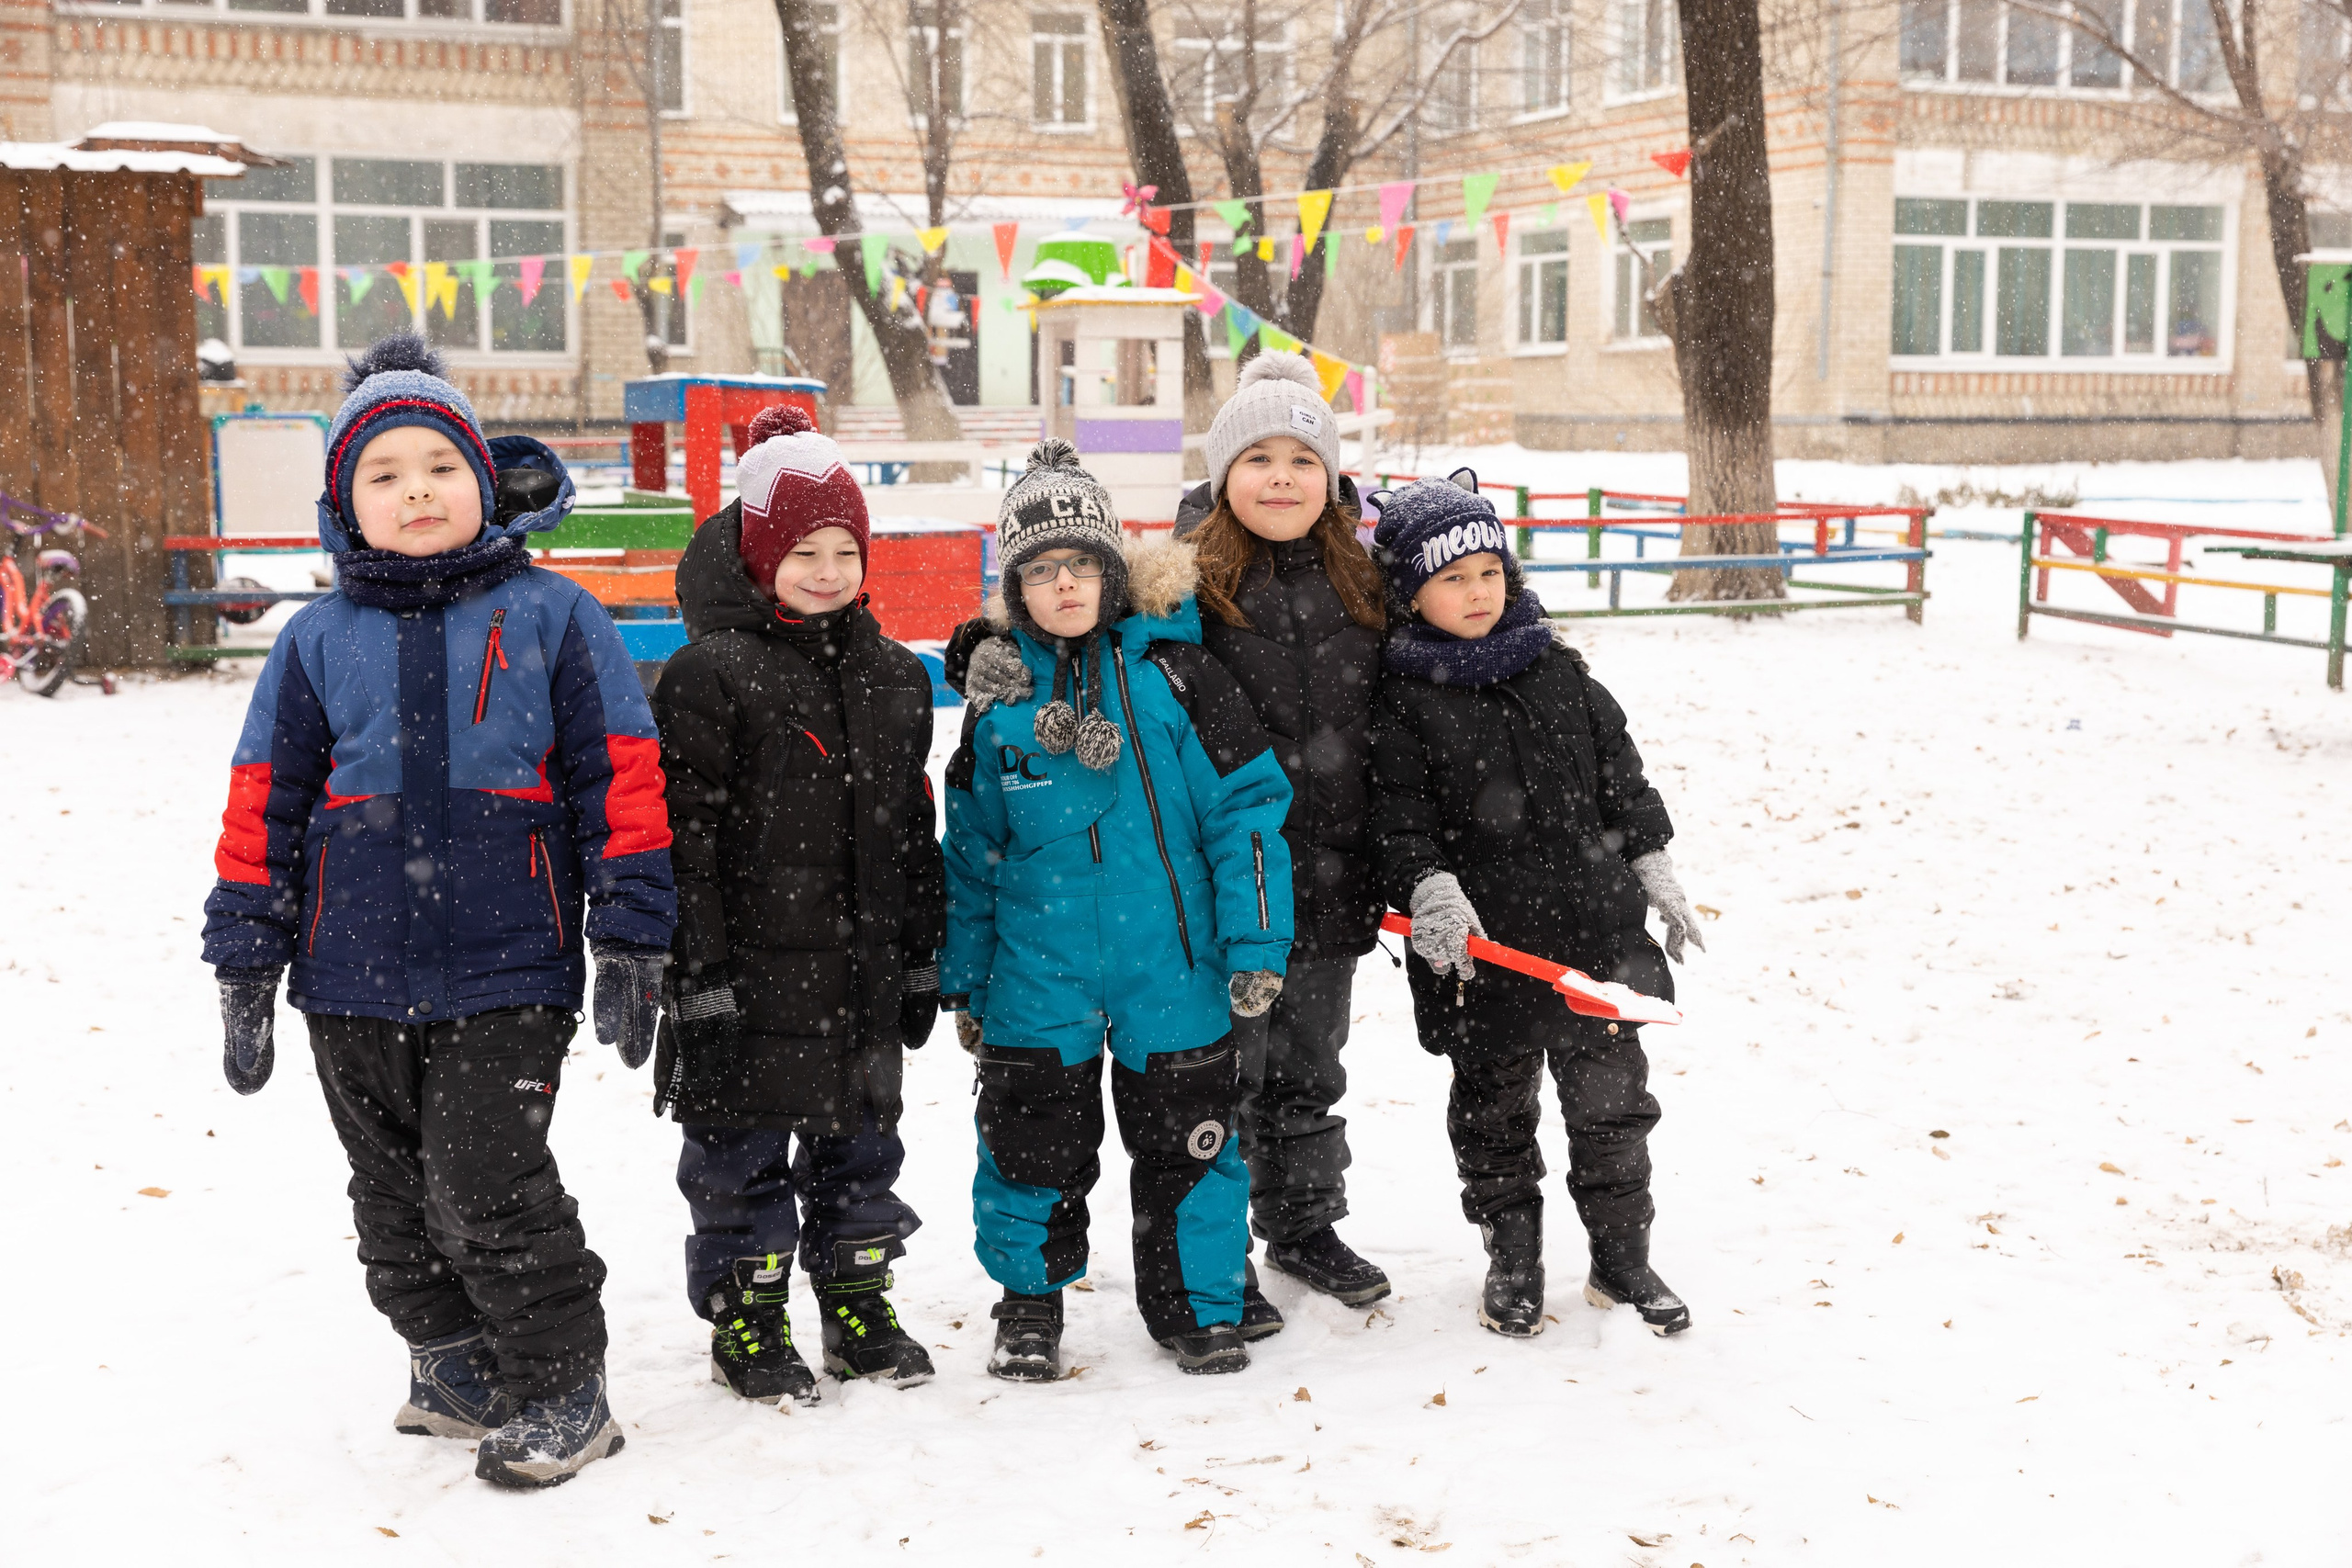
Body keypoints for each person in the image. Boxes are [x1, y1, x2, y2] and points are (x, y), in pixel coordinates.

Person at [201, 333, 675, 1488]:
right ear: (344, 507)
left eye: (439, 466)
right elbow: (265, 801)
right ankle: (454, 1361)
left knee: (486, 1183)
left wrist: (629, 933)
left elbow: (620, 780)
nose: (416, 489)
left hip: (508, 960)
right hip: (348, 968)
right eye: (384, 473)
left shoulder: (558, 617)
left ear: (484, 477)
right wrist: (245, 960)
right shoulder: (314, 642)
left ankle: (563, 1385)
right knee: (392, 1199)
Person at [942, 440, 1295, 1380]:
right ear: (1016, 591)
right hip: (1035, 971)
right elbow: (971, 854)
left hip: (1171, 964)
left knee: (1192, 1145)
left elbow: (1247, 812)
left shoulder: (1178, 677)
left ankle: (1198, 1305)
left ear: (1112, 572)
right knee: (1029, 1148)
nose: (1064, 586)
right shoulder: (997, 707)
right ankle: (1028, 1302)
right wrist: (966, 982)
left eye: (1081, 565)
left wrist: (1256, 939)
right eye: (1041, 571)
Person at [1364, 471, 1706, 1340]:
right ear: (1411, 593)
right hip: (1488, 962)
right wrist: (1428, 885)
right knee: (1493, 1116)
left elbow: (1621, 776)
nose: (1475, 593)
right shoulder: (1402, 701)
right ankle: (1512, 1256)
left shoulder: (1559, 670)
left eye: (1486, 572)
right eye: (1450, 579)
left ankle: (1622, 1258)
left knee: (1614, 1109)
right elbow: (1395, 820)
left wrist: (1653, 861)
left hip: (1596, 944)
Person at [650, 403, 944, 1404]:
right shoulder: (707, 677)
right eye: (802, 551)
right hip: (746, 982)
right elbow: (681, 846)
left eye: (844, 550)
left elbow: (914, 831)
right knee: (737, 1162)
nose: (826, 570)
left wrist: (918, 954)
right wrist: (699, 981)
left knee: (861, 1150)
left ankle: (858, 1297)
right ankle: (750, 1308)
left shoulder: (898, 679)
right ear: (758, 556)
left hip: (857, 976)